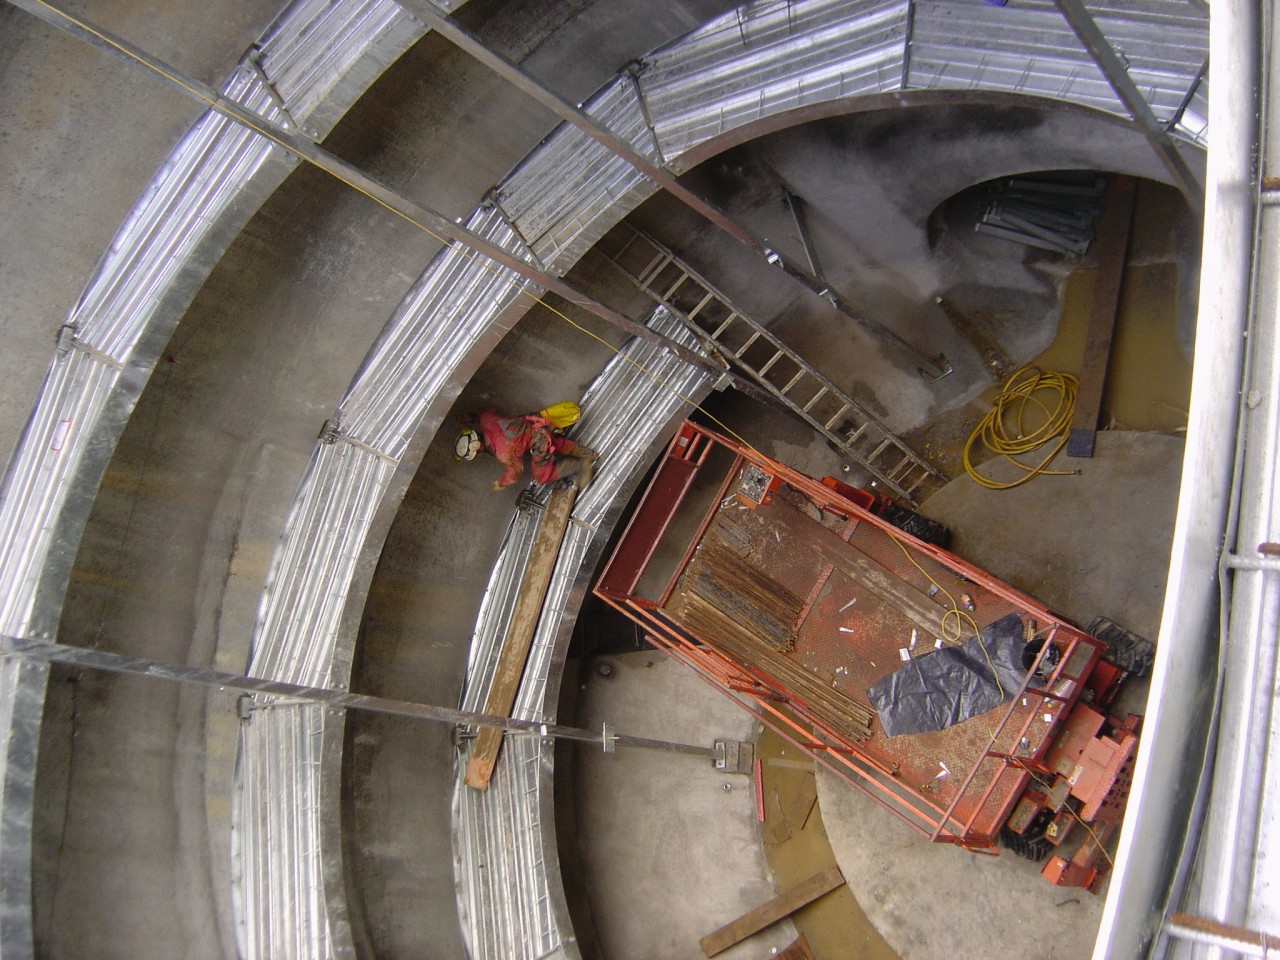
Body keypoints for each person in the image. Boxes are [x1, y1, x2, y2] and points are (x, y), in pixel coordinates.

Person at [455, 406, 598, 491]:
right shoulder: (485, 420)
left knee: (542, 475)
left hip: (537, 441)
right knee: (558, 444)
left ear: (478, 449)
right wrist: (471, 416)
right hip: (535, 424)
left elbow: (516, 470)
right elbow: (485, 411)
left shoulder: (502, 453)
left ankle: (581, 466)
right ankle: (588, 454)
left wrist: (501, 483)